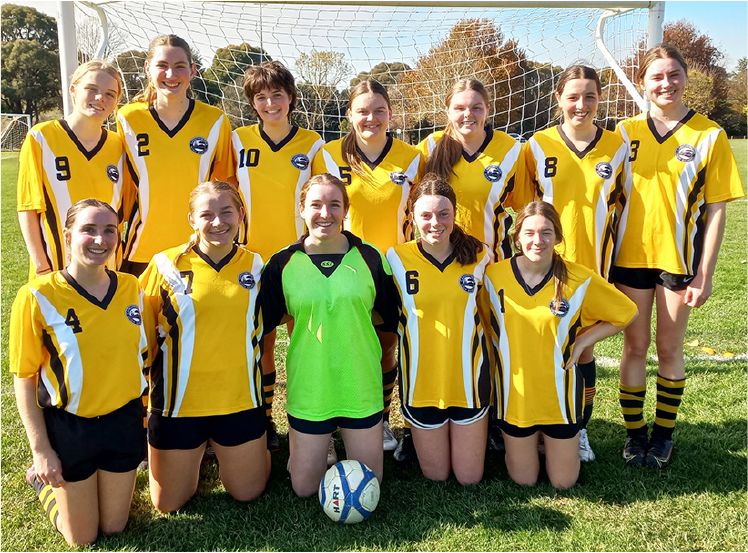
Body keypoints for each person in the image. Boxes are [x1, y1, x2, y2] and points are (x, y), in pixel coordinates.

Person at [613, 45, 744, 468]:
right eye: (656, 76)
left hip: (678, 260)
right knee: (635, 347)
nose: (665, 83)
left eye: (673, 75)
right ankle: (635, 435)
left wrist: (705, 273)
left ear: (686, 77)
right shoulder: (624, 132)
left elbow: (717, 209)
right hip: (629, 258)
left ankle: (663, 436)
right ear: (642, 83)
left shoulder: (709, 134)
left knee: (669, 348)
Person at [10, 199, 148, 545]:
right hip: (71, 426)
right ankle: (40, 482)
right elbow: (24, 378)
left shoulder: (131, 287)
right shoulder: (37, 296)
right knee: (81, 538)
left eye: (109, 230)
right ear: (68, 235)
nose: (100, 239)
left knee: (114, 527)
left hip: (123, 420)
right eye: (89, 229)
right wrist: (41, 449)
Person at [260, 173, 398, 497]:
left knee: (371, 484)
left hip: (359, 387)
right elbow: (264, 327)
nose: (325, 213)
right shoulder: (282, 263)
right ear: (302, 209)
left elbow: (388, 323)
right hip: (311, 388)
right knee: (305, 488)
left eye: (334, 204)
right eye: (316, 205)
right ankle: (307, 449)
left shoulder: (371, 258)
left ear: (346, 210)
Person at [484, 201, 637, 489]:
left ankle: (554, 441)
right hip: (515, 398)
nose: (537, 241)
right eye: (529, 233)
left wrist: (583, 342)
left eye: (546, 233)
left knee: (563, 482)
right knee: (524, 480)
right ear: (517, 238)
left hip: (560, 398)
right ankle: (534, 442)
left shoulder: (578, 278)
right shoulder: (493, 277)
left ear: (558, 237)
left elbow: (626, 312)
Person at [417, 78, 531, 460]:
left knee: (495, 344)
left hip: (490, 268)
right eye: (460, 107)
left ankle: (495, 421)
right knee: (439, 343)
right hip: (437, 268)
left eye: (476, 107)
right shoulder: (430, 148)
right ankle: (425, 421)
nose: (468, 114)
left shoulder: (511, 150)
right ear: (447, 111)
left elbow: (525, 209)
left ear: (488, 109)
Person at [138, 180, 269, 512]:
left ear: (241, 215)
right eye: (206, 214)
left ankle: (243, 448)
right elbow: (143, 340)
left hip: (239, 401)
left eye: (227, 212)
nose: (218, 222)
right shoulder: (165, 265)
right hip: (178, 405)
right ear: (191, 219)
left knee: (248, 492)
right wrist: (142, 407)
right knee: (168, 504)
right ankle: (197, 453)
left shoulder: (257, 266)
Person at [524, 65, 628, 462]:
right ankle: (535, 426)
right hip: (545, 267)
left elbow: (624, 209)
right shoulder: (537, 145)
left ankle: (579, 427)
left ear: (600, 98)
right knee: (540, 347)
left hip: (593, 268)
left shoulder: (617, 147)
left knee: (583, 352)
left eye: (589, 96)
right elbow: (526, 210)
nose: (581, 104)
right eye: (572, 96)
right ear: (558, 99)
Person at [312, 80, 422, 456]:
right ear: (349, 114)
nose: (371, 118)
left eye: (379, 110)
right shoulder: (328, 155)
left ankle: (382, 418)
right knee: (336, 347)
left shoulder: (412, 157)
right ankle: (329, 425)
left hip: (392, 271)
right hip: (343, 269)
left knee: (385, 349)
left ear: (390, 113)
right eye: (362, 111)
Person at [233, 60, 325, 452]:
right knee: (263, 346)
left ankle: (314, 419)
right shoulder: (235, 141)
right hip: (253, 263)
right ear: (252, 103)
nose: (270, 103)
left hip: (300, 261)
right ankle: (267, 420)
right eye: (261, 97)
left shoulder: (313, 143)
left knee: (308, 344)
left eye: (277, 95)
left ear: (291, 98)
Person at [386, 174, 492, 484]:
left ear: (455, 213)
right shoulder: (396, 258)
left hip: (468, 381)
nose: (436, 223)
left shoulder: (480, 256)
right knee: (437, 475)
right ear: (412, 217)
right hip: (422, 384)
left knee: (469, 477)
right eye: (426, 215)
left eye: (444, 214)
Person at [117, 34, 234, 278]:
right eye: (162, 65)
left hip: (199, 249)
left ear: (193, 70)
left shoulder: (215, 120)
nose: (171, 75)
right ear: (147, 68)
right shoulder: (128, 118)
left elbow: (225, 188)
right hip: (142, 250)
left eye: (180, 66)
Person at [17, 60, 127, 280]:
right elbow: (28, 207)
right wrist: (41, 265)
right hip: (55, 267)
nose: (100, 98)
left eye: (110, 94)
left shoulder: (119, 145)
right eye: (91, 89)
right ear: (73, 90)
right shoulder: (42, 137)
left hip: (106, 269)